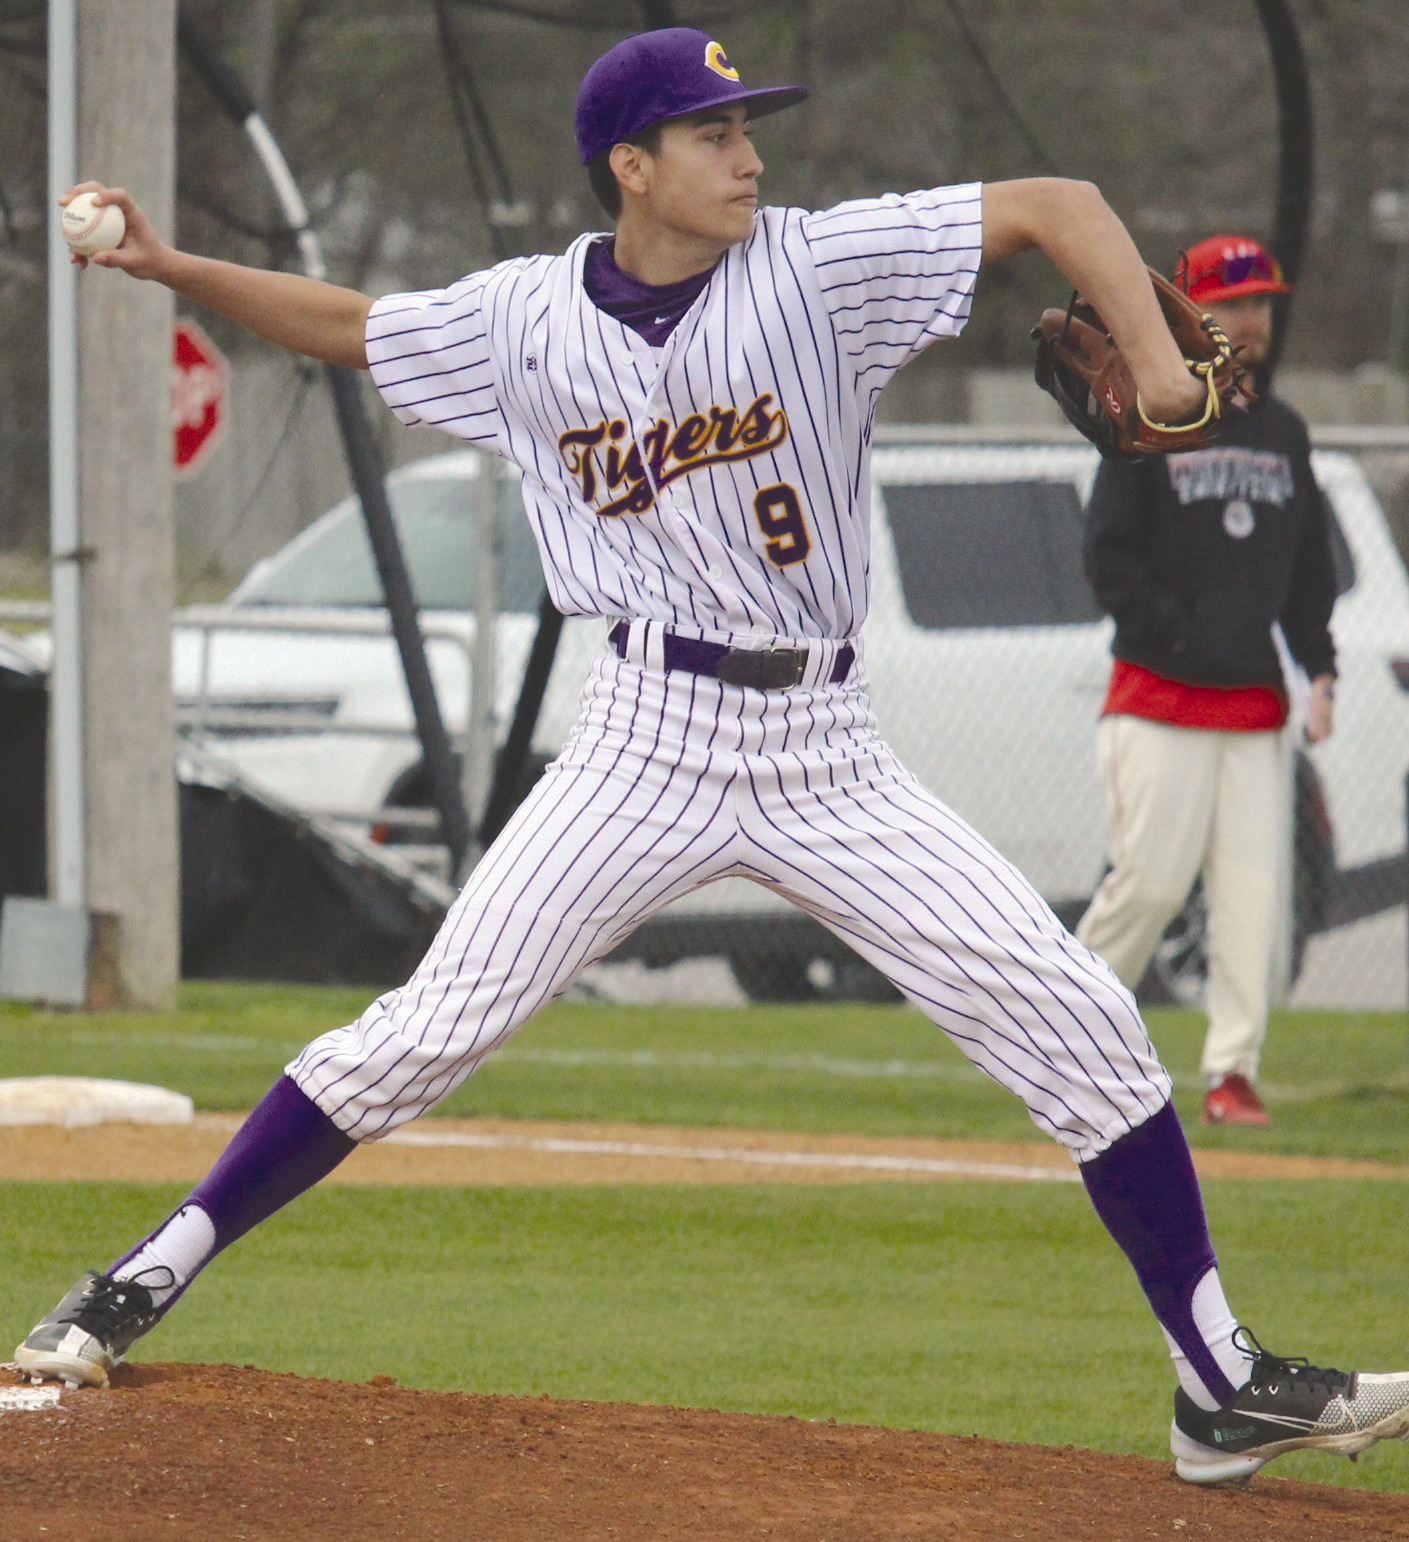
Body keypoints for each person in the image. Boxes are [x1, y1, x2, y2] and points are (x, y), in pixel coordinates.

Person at [16, 29, 1408, 1487]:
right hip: (645, 740)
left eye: (748, 126)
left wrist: (1152, 355)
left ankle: (1215, 1380)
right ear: (632, 166)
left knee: (1085, 1023)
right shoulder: (525, 319)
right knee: (423, 1034)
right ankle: (146, 1269)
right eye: (710, 132)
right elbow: (352, 323)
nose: (748, 155)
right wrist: (172, 270)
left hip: (825, 750)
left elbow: (1059, 203)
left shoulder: (817, 269)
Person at [1074, 235, 1338, 1128]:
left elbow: (1306, 571)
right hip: (1157, 697)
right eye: (1231, 302)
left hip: (1254, 708)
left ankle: (1230, 1074)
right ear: (1188, 312)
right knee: (1146, 887)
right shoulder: (1149, 412)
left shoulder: (1282, 433)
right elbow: (1106, 558)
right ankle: (1057, 1035)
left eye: (1259, 302)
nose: (1249, 319)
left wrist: (1321, 666)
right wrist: (1177, 634)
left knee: (1249, 907)